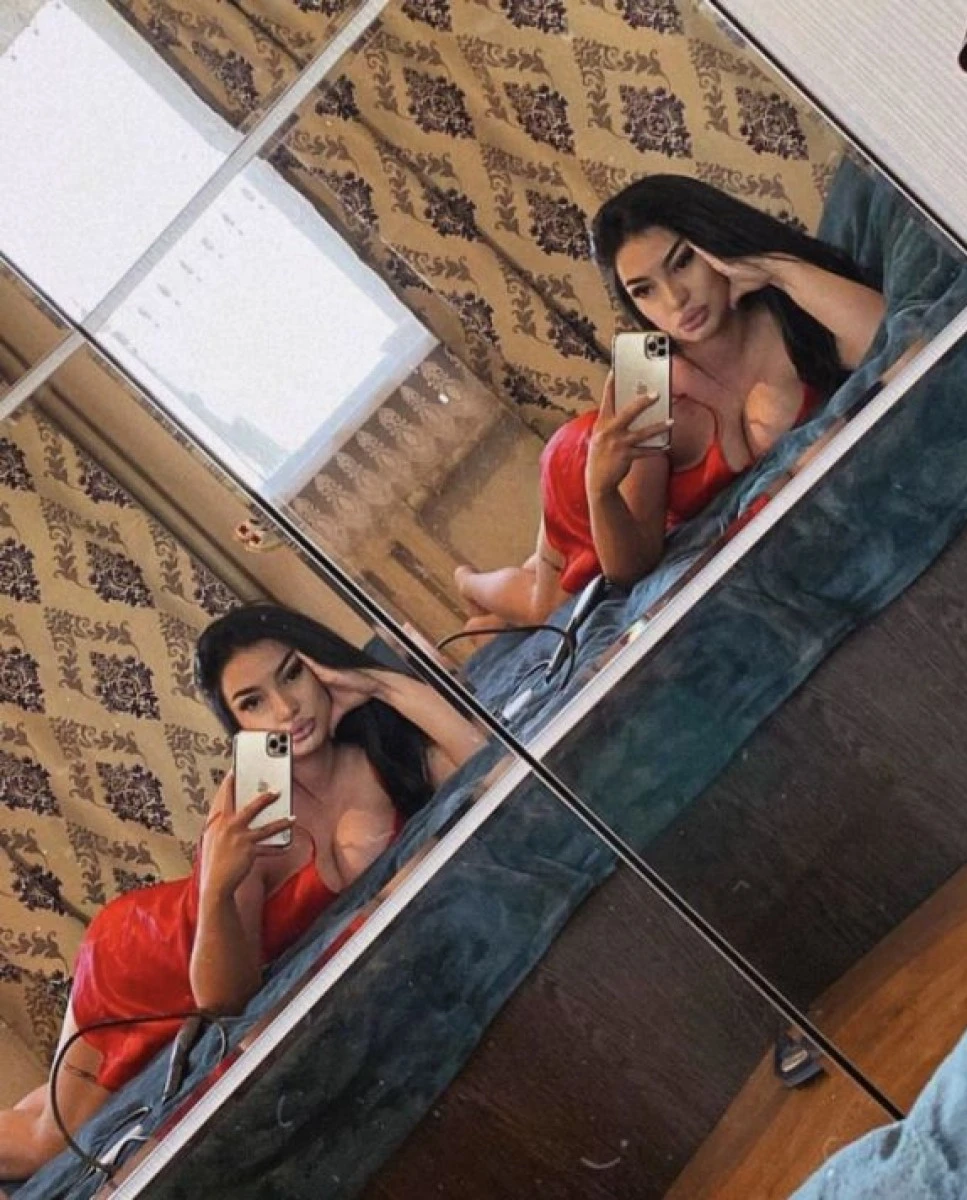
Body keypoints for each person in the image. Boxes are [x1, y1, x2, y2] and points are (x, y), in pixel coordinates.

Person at [0, 603, 484, 1182]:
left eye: (291, 674)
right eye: (252, 703)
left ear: (319, 663)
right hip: (149, 958)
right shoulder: (252, 802)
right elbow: (221, 997)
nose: (285, 709)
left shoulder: (381, 750)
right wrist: (217, 888)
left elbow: (493, 770)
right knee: (44, 1144)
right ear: (237, 725)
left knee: (62, 1100)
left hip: (188, 944)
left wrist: (383, 685)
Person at [455, 173, 885, 623]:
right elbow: (630, 568)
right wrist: (599, 489)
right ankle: (468, 582)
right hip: (585, 460)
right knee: (545, 604)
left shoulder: (787, 310)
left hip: (630, 469)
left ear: (713, 239)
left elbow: (888, 339)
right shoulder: (646, 375)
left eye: (682, 263)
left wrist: (775, 267)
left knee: (545, 573)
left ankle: (493, 613)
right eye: (644, 290)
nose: (675, 299)